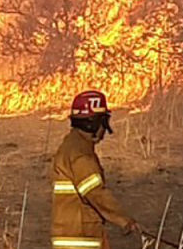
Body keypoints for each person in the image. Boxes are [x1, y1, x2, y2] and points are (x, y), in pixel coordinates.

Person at [51, 90, 141, 249]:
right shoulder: (81, 155)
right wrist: (124, 219)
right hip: (80, 238)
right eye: (103, 122)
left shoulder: (71, 145)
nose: (105, 129)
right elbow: (95, 192)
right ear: (93, 123)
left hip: (72, 233)